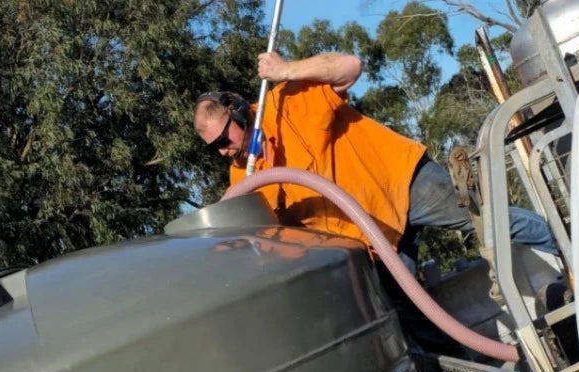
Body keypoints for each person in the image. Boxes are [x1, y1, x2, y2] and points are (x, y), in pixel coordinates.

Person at [194, 51, 556, 272]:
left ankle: (571, 250)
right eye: (215, 148)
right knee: (403, 312)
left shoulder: (287, 102)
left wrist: (287, 70)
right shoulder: (244, 179)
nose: (224, 149)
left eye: (224, 138)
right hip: (372, 236)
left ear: (239, 112)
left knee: (489, 225)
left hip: (402, 182)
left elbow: (350, 67)